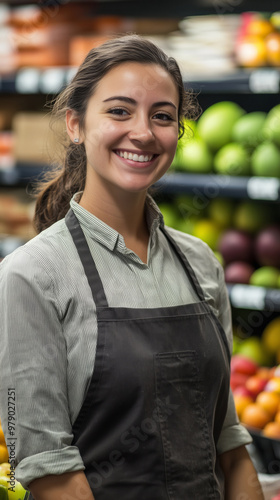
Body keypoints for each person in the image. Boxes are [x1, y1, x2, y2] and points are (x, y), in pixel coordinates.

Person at [0, 34, 264, 500]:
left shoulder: (201, 263)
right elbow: (42, 465)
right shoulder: (31, 275)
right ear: (76, 124)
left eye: (162, 116)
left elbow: (227, 439)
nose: (143, 132)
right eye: (119, 111)